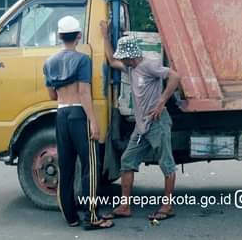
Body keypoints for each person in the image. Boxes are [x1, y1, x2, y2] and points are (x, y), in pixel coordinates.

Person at [99, 22, 180, 223]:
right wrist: (104, 36)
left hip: (157, 123)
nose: (121, 59)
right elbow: (111, 60)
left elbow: (175, 76)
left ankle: (167, 206)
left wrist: (161, 102)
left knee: (166, 164)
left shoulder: (148, 65)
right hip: (141, 127)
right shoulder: (131, 69)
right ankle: (125, 206)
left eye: (123, 56)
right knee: (127, 160)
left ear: (131, 55)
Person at [43, 16, 113, 231]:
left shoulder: (49, 62)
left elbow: (51, 94)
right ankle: (92, 217)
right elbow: (84, 93)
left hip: (61, 115)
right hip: (78, 115)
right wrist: (93, 122)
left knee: (65, 167)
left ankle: (70, 217)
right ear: (79, 36)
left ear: (59, 36)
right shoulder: (83, 60)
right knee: (90, 167)